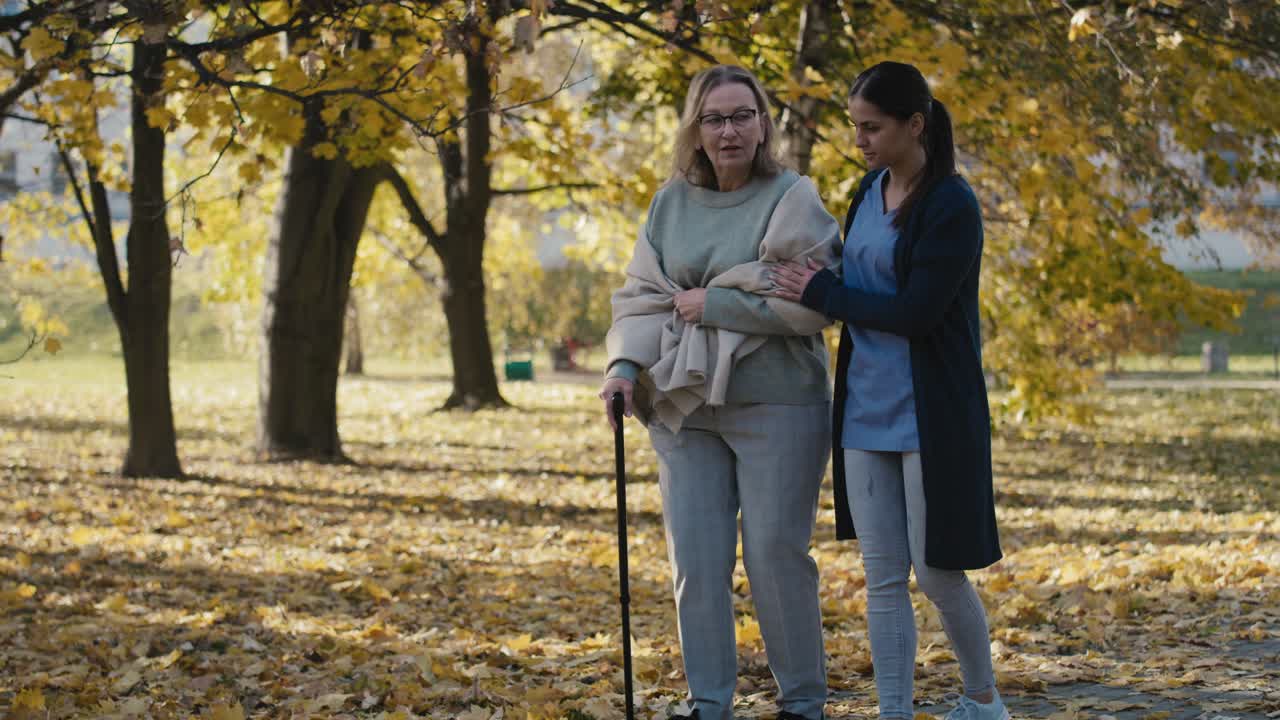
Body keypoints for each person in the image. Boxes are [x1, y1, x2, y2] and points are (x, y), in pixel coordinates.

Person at [600, 64, 841, 720]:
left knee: (774, 555)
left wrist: (716, 304)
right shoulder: (669, 202)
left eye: (742, 115)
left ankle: (802, 704)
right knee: (697, 563)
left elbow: (813, 305)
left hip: (780, 402)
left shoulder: (794, 198)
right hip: (684, 403)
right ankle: (707, 704)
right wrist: (623, 367)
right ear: (696, 130)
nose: (729, 130)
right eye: (715, 118)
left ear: (764, 125)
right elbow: (645, 298)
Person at [771, 61, 1009, 720]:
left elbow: (917, 313)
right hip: (865, 409)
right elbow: (846, 273)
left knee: (935, 572)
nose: (861, 140)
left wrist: (826, 294)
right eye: (855, 127)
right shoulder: (866, 189)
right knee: (881, 577)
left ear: (915, 124)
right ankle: (893, 712)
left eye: (871, 127)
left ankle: (984, 702)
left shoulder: (951, 205)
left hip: (931, 411)